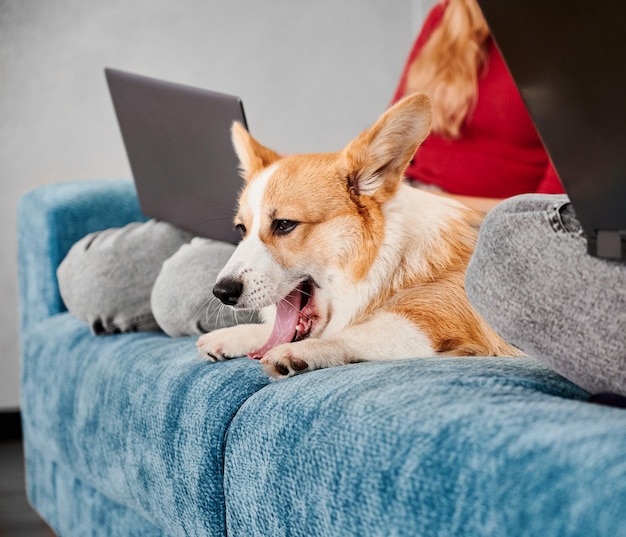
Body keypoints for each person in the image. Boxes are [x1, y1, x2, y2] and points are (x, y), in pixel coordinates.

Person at [58, 0, 625, 399]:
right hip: (376, 209)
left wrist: (390, 199)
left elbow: (560, 212)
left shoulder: (584, 31)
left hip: (436, 219)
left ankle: (249, 245)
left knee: (182, 283)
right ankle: (235, 226)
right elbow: (396, 141)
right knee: (97, 269)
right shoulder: (449, 16)